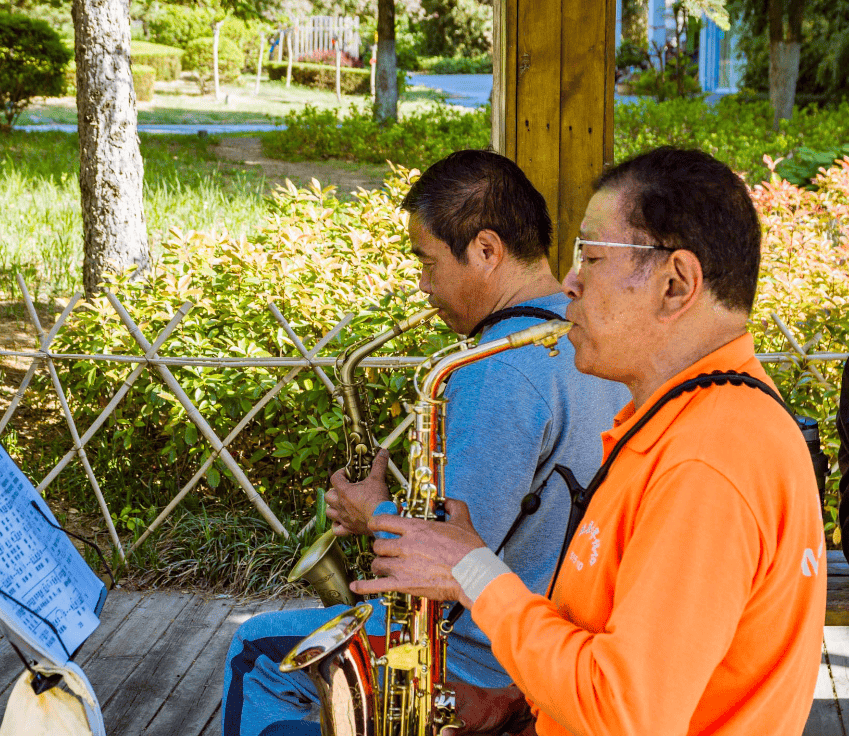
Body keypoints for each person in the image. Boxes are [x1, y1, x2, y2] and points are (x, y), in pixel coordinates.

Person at [353, 146, 828, 736]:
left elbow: (627, 712)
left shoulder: (707, 462)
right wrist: (526, 700)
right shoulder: (691, 422)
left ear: (675, 284)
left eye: (593, 258)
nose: (570, 282)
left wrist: (472, 573)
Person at [221, 150, 629, 736]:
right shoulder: (589, 341)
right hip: (559, 634)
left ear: (487, 251)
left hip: (481, 659)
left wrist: (375, 513)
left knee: (254, 651)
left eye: (428, 262)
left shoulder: (498, 371)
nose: (422, 284)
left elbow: (452, 560)